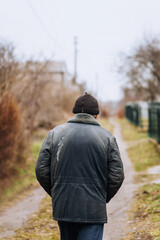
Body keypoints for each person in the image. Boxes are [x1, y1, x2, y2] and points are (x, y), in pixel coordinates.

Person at [35, 92, 124, 240]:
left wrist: (58, 192)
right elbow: (117, 176)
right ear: (96, 115)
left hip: (64, 206)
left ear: (74, 113)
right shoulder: (107, 138)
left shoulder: (55, 134)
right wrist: (101, 196)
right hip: (93, 208)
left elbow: (41, 170)